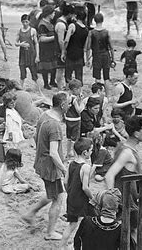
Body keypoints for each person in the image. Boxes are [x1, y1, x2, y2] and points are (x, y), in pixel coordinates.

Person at [21, 92, 69, 241]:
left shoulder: (44, 114)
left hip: (42, 161)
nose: (70, 105)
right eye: (68, 103)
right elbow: (54, 154)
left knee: (52, 193)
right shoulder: (55, 125)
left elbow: (36, 136)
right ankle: (50, 232)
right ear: (62, 105)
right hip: (50, 167)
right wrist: (64, 169)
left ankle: (30, 214)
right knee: (58, 198)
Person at [105, 116, 142, 244]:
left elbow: (139, 171)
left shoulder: (124, 146)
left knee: (131, 231)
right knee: (129, 232)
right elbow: (109, 175)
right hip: (125, 201)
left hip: (130, 200)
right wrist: (112, 200)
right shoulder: (127, 152)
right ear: (136, 133)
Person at [60, 138, 93, 249]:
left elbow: (65, 182)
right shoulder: (86, 167)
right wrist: (93, 198)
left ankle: (63, 246)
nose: (92, 152)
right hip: (80, 200)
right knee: (77, 224)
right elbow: (85, 187)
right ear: (85, 152)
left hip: (71, 198)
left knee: (72, 224)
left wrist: (70, 192)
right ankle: (67, 246)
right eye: (91, 150)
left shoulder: (71, 164)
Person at [85, 12, 115, 86]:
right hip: (106, 55)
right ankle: (107, 95)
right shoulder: (107, 32)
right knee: (106, 78)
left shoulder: (91, 32)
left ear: (94, 20)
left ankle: (97, 93)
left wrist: (87, 59)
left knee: (97, 77)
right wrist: (113, 59)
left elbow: (88, 48)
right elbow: (111, 48)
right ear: (103, 20)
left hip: (96, 56)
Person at [63, 9, 88, 84]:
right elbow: (85, 46)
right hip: (80, 54)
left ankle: (68, 90)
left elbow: (66, 40)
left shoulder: (72, 26)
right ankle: (79, 92)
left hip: (71, 53)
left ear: (76, 16)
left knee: (68, 75)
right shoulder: (86, 29)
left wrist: (63, 51)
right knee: (79, 75)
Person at [37, 5, 58, 90]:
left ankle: (52, 81)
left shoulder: (50, 23)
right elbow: (42, 39)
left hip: (51, 48)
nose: (54, 14)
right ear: (49, 14)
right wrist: (54, 37)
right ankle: (46, 83)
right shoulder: (42, 25)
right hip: (45, 49)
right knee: (45, 66)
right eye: (53, 13)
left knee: (53, 65)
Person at [15, 14, 39, 87]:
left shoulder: (33, 30)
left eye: (26, 22)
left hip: (31, 53)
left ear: (29, 22)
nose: (25, 23)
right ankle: (21, 87)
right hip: (22, 54)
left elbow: (36, 43)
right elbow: (15, 43)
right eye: (23, 22)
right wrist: (21, 44)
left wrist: (37, 56)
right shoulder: (19, 31)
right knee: (22, 71)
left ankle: (37, 88)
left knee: (33, 71)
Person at [54, 2, 74, 88]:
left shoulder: (62, 21)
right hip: (59, 49)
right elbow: (60, 40)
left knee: (61, 69)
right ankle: (59, 87)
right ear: (69, 14)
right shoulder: (61, 24)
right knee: (60, 69)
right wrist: (63, 51)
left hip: (60, 49)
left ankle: (61, 86)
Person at [65, 79, 84, 159]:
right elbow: (79, 110)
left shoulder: (68, 97)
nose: (81, 91)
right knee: (74, 136)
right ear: (76, 89)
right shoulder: (74, 99)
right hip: (75, 119)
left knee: (69, 137)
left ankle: (68, 151)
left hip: (68, 118)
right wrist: (82, 103)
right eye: (80, 89)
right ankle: (72, 152)